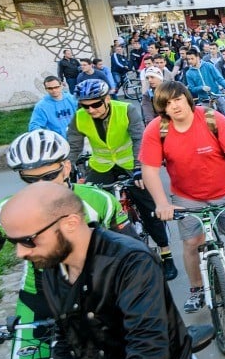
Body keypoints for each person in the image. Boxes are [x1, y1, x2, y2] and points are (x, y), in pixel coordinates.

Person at [1, 182, 214, 359]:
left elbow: (147, 351)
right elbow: (70, 341)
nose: (21, 253)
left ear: (70, 223)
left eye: (28, 240)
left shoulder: (131, 262)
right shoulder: (51, 265)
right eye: (13, 243)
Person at [0, 130, 134, 359]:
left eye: (48, 177)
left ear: (67, 168)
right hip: (38, 300)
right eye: (29, 180)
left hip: (93, 298)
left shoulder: (98, 201)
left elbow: (134, 253)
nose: (39, 188)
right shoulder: (6, 211)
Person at [140, 81, 225, 311]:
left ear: (188, 98)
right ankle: (196, 289)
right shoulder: (157, 129)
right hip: (187, 196)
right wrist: (162, 203)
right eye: (167, 104)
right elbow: (149, 169)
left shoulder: (213, 119)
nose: (174, 106)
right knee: (191, 243)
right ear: (162, 109)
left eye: (178, 99)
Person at [66, 79, 176, 280]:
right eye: (85, 105)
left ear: (107, 98)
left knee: (149, 207)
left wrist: (137, 169)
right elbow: (73, 147)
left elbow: (138, 139)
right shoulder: (78, 118)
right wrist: (65, 171)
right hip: (101, 167)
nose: (90, 110)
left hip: (129, 164)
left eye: (96, 104)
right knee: (92, 210)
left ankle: (166, 253)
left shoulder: (126, 110)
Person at [183, 47, 225, 116]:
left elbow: (219, 78)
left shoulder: (208, 65)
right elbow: (192, 88)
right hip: (204, 100)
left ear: (198, 57)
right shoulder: (189, 73)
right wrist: (202, 88)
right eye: (188, 59)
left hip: (217, 95)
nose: (190, 61)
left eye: (192, 58)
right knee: (209, 120)